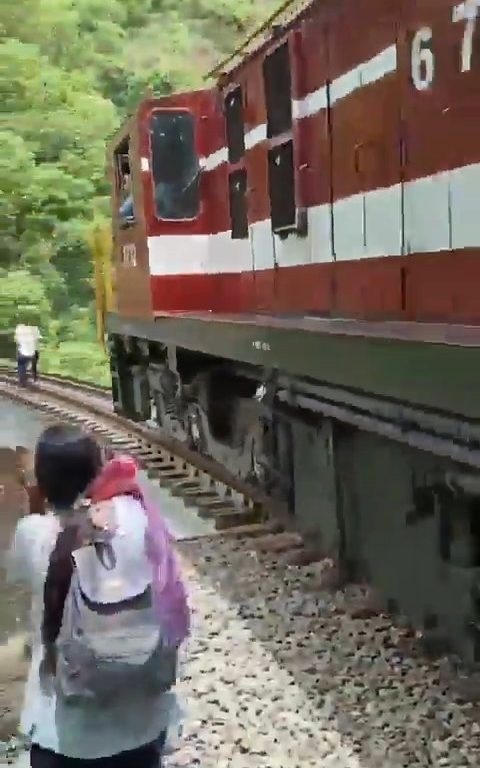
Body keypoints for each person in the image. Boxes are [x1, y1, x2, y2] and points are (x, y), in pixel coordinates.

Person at [8, 424, 188, 768]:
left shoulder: (32, 535)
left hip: (63, 736)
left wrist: (35, 503)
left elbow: (21, 580)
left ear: (41, 483)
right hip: (141, 731)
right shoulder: (136, 517)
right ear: (97, 471)